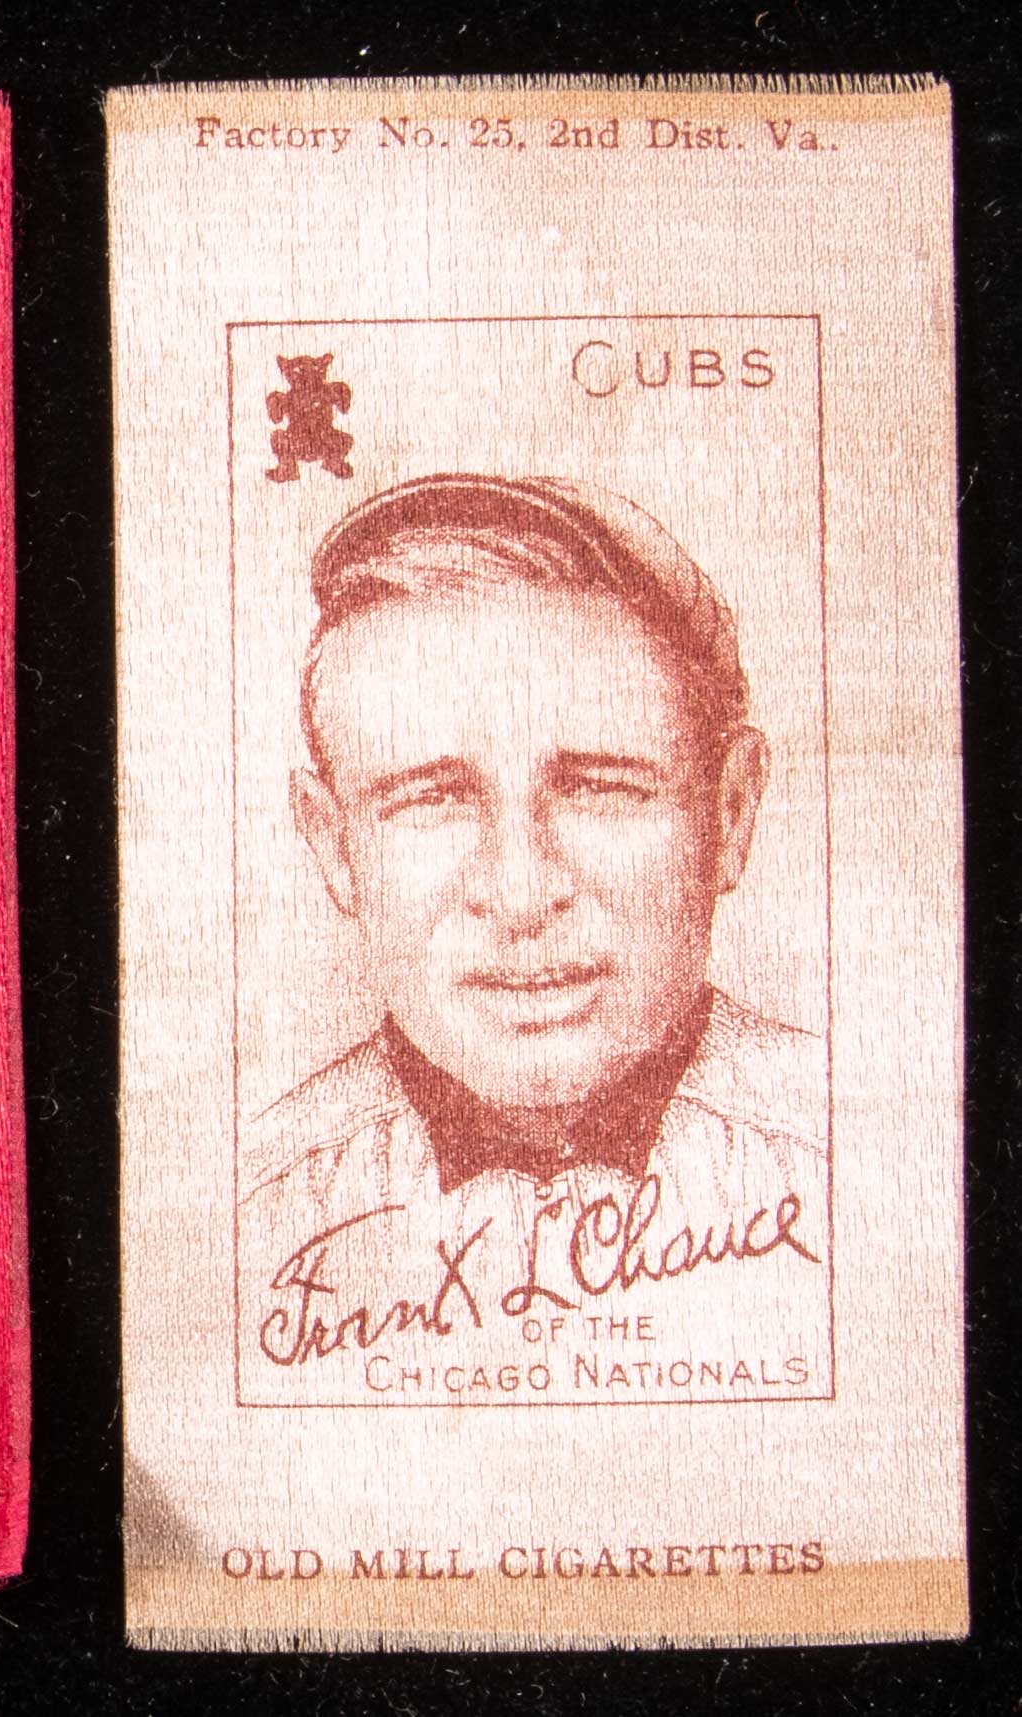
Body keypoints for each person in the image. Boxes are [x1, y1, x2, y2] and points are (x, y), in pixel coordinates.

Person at [241, 473, 827, 1395]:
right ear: (332, 844)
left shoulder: (878, 1158)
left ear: (730, 811)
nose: (519, 894)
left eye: (600, 787)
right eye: (430, 799)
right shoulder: (239, 1205)